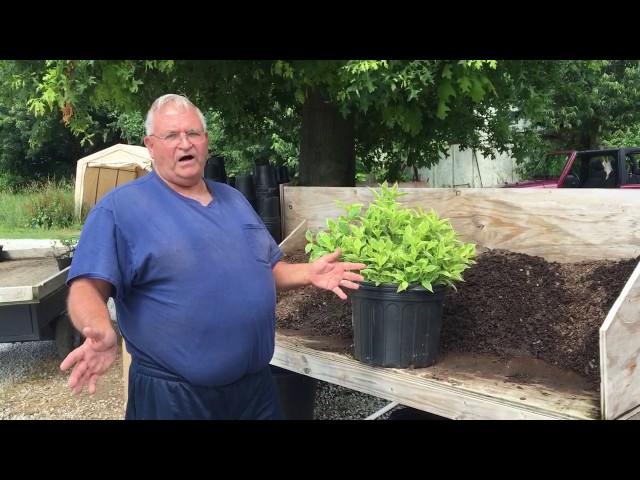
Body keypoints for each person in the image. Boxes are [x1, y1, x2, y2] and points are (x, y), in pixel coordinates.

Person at [60, 93, 366, 420]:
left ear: (205, 142)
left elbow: (266, 268)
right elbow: (86, 288)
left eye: (193, 133)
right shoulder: (121, 209)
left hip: (254, 393)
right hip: (175, 399)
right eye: (171, 135)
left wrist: (310, 273)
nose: (184, 143)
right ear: (150, 145)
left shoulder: (233, 200)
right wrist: (99, 327)